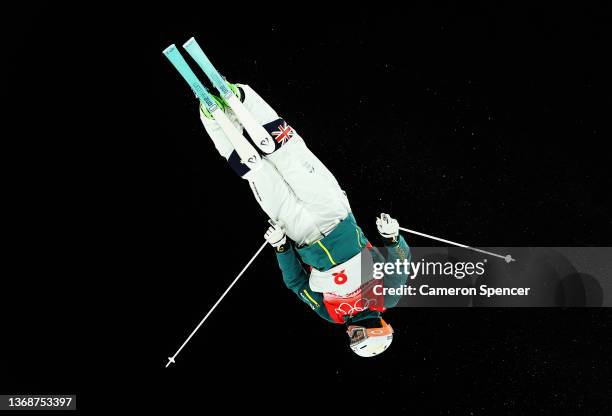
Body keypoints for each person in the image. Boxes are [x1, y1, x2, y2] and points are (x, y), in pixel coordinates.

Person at [199, 83, 411, 357]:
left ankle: (215, 119)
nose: (349, 333)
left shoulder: (331, 315)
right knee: (289, 155)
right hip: (334, 215)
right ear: (376, 329)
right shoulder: (388, 298)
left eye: (351, 339)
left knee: (257, 173)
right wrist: (393, 237)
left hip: (300, 233)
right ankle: (242, 98)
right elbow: (401, 261)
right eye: (357, 336)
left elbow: (297, 284)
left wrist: (281, 248)